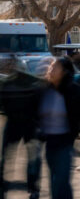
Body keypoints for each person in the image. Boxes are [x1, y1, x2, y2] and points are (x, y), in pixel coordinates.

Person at [39, 57, 80, 199]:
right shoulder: (45, 89)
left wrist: (73, 135)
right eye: (50, 67)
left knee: (61, 183)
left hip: (64, 143)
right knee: (55, 183)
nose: (50, 70)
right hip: (49, 143)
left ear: (64, 72)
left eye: (54, 67)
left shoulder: (72, 90)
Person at [0, 57, 44, 199]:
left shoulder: (7, 83)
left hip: (13, 124)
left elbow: (3, 104)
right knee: (33, 158)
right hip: (31, 124)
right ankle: (33, 189)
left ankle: (3, 188)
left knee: (7, 157)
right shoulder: (34, 82)